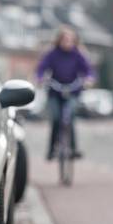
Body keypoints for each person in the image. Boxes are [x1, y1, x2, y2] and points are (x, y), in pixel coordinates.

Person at [36, 26, 94, 160]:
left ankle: (73, 149)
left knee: (70, 117)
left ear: (74, 41)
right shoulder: (52, 54)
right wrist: (40, 78)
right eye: (65, 39)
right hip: (55, 91)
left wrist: (89, 79)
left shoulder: (78, 54)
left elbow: (88, 70)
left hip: (73, 91)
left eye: (71, 40)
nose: (68, 42)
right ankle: (51, 149)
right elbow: (42, 68)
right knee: (56, 118)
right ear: (59, 40)